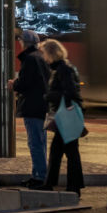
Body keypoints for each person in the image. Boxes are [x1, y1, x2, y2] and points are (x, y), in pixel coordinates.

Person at [39, 38, 85, 197]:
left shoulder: (63, 69)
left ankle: (72, 187)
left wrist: (48, 96)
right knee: (61, 151)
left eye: (45, 54)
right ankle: (58, 184)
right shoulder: (64, 67)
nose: (44, 57)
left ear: (51, 54)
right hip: (65, 116)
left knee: (68, 152)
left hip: (65, 116)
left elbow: (70, 92)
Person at [13, 30, 50, 188]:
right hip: (42, 105)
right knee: (41, 142)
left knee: (35, 142)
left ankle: (38, 177)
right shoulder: (42, 57)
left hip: (32, 105)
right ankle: (39, 174)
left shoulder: (29, 59)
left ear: (23, 42)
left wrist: (13, 84)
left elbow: (25, 84)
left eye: (20, 41)